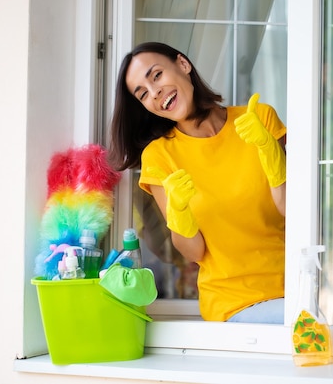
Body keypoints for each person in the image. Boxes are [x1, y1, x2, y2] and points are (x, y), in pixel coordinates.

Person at [108, 42, 286, 323]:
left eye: (156, 75)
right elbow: (194, 252)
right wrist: (179, 213)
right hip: (235, 304)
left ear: (183, 64)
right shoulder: (160, 156)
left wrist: (272, 153)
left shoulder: (259, 118)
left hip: (297, 287)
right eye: (143, 94)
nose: (155, 92)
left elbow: (291, 209)